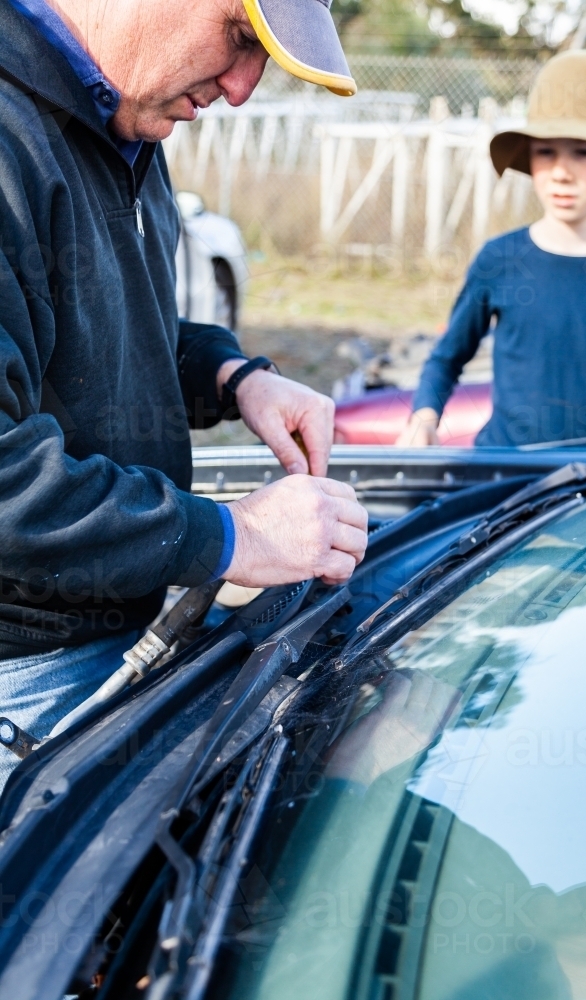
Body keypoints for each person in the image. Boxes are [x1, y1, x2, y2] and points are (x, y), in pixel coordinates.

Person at [0, 0, 366, 783]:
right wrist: (234, 537)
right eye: (241, 38)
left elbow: (113, 331)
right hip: (22, 680)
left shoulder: (123, 123)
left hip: (107, 642)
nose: (241, 89)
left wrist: (236, 377)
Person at [397, 49, 586, 450]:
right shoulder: (501, 260)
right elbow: (447, 357)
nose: (561, 170)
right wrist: (424, 416)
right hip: (506, 475)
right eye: (546, 152)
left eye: (583, 151)